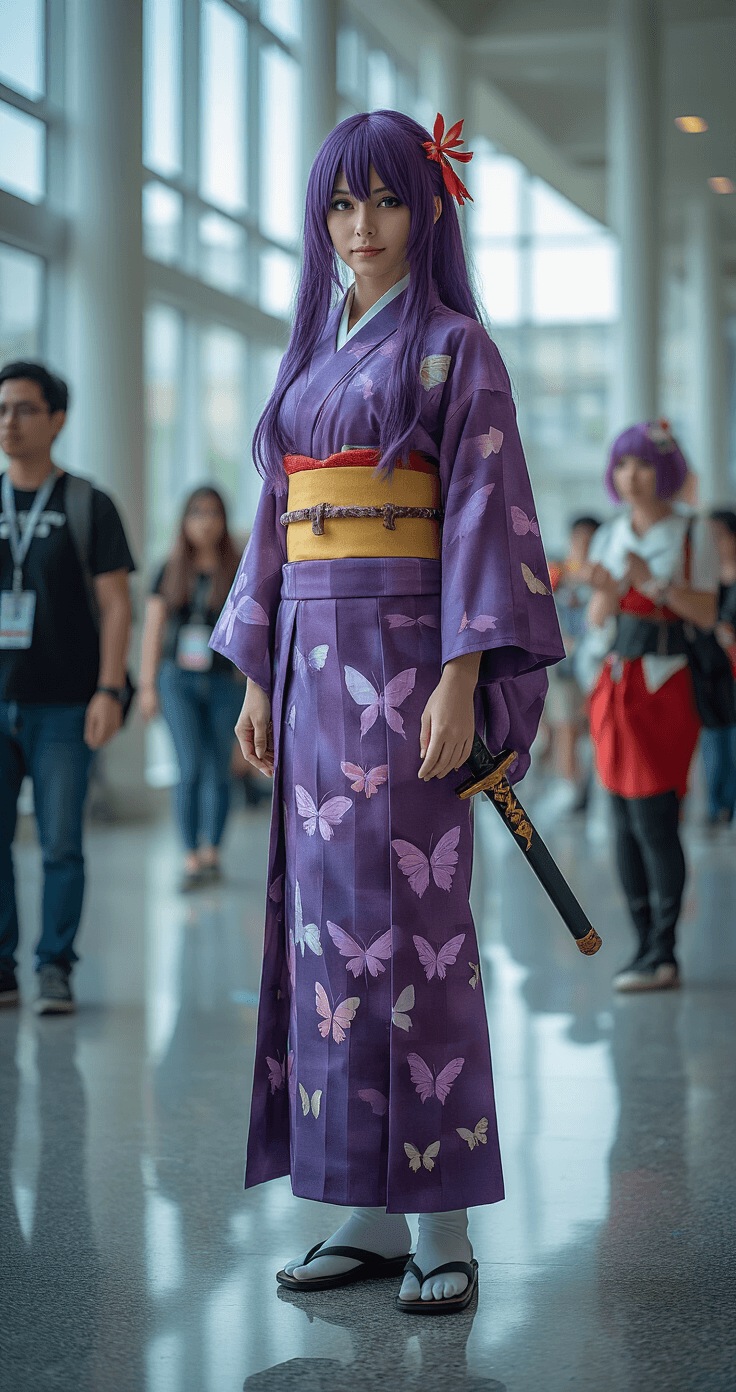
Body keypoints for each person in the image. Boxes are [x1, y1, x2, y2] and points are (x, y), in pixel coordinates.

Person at [210, 110, 564, 1312]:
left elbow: (480, 514)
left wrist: (466, 675)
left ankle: (443, 1225)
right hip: (315, 676)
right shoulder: (311, 354)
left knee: (417, 932)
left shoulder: (455, 350)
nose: (361, 231)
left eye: (387, 204)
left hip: (411, 676)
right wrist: (259, 671)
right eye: (341, 207)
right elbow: (276, 524)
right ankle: (363, 1201)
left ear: (429, 211)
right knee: (327, 939)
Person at [0, 361, 135, 1013]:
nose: (9, 422)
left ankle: (54, 964)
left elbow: (117, 606)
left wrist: (109, 690)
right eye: (2, 410)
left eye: (24, 409)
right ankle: (1, 966)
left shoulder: (87, 503)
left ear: (56, 419)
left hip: (64, 704)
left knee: (59, 842)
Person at [584, 420, 717, 993]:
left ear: (664, 471)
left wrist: (652, 585)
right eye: (621, 465)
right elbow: (598, 619)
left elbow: (708, 613)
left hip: (666, 687)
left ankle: (663, 952)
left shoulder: (695, 533)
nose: (629, 476)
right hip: (615, 684)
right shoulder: (610, 532)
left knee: (655, 819)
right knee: (619, 819)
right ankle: (642, 945)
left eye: (640, 464)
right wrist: (603, 595)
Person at [139, 486, 244, 890]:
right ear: (184, 521)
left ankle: (211, 853)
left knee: (219, 768)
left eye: (214, 513)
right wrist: (147, 686)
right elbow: (153, 630)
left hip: (224, 682)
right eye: (197, 513)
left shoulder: (238, 570)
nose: (205, 521)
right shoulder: (168, 570)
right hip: (177, 682)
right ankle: (188, 856)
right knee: (189, 767)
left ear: (223, 520)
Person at [545, 515, 600, 810]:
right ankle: (569, 787)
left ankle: (590, 787)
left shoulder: (602, 574)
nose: (584, 545)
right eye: (579, 539)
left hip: (594, 665)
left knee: (592, 725)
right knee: (565, 724)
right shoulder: (557, 573)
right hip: (564, 665)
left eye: (590, 539)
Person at [701, 508, 736, 825]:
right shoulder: (704, 581)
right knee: (714, 741)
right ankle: (717, 806)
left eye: (718, 535)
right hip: (712, 674)